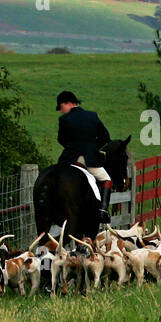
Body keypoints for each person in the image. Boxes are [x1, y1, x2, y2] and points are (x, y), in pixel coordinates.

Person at [55, 91, 113, 223]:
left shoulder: (64, 120)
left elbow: (61, 140)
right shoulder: (92, 116)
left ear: (68, 103)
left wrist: (72, 148)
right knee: (106, 179)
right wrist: (92, 148)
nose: (61, 111)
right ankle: (103, 211)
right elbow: (105, 137)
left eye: (61, 107)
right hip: (89, 159)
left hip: (69, 159)